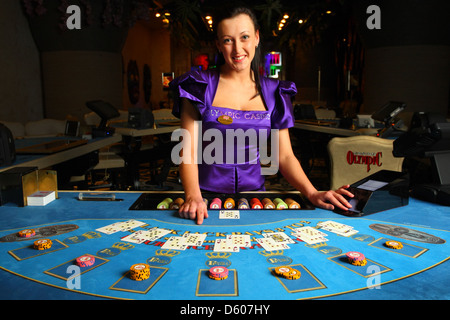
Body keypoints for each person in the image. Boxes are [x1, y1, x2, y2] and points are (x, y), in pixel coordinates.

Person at [170, 6, 353, 224]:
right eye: (228, 40)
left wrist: (312, 192)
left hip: (255, 199)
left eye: (244, 37)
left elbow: (284, 156)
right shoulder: (198, 85)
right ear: (218, 45)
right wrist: (193, 197)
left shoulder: (275, 91)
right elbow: (186, 150)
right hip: (204, 198)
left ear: (256, 38)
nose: (238, 49)